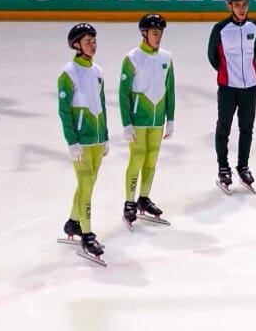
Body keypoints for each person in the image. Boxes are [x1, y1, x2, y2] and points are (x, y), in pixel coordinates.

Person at [58, 23, 109, 259]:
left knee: (87, 184)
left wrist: (106, 136)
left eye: (94, 41)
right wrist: (72, 141)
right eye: (88, 42)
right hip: (81, 141)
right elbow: (64, 110)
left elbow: (101, 104)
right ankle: (87, 235)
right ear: (76, 45)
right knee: (86, 185)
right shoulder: (68, 73)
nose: (93, 45)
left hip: (97, 139)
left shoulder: (97, 71)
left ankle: (73, 222)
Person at [119, 13, 176, 226]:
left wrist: (170, 119)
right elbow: (123, 93)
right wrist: (126, 123)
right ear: (144, 34)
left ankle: (144, 198)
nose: (158, 37)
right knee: (137, 159)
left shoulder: (166, 58)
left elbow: (170, 90)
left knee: (151, 160)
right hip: (138, 120)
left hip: (157, 120)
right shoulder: (132, 58)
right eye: (154, 33)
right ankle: (129, 202)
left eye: (160, 33)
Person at [207, 0, 256, 191]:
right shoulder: (220, 29)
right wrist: (227, 72)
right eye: (237, 5)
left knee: (247, 128)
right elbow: (212, 57)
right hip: (228, 86)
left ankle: (243, 166)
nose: (242, 9)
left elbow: (255, 51)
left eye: (245, 4)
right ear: (229, 6)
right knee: (224, 128)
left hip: (250, 86)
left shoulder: (255, 26)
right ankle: (223, 167)